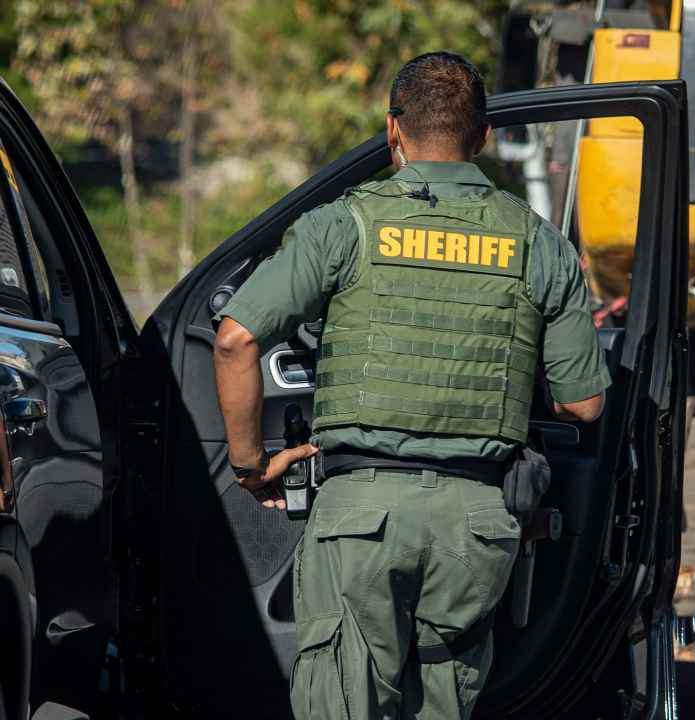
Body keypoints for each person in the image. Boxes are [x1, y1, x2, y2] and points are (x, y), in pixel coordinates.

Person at [213, 51, 610, 720]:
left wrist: (253, 465)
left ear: (392, 129)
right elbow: (585, 403)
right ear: (484, 137)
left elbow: (234, 339)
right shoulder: (539, 244)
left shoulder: (343, 225)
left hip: (360, 518)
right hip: (477, 523)